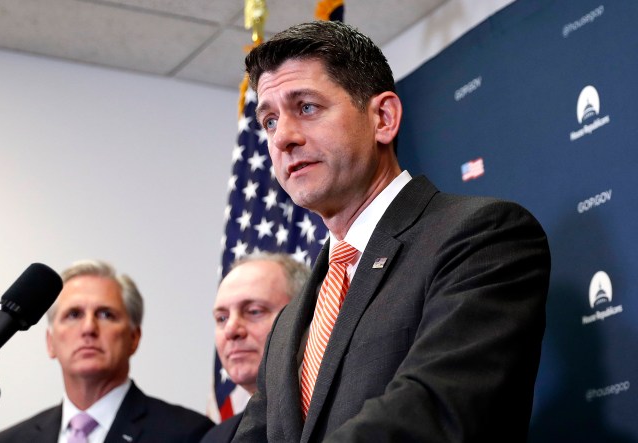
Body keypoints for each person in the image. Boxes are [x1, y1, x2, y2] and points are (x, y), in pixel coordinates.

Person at [232, 21, 551, 443]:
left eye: (306, 107)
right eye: (270, 121)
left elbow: (436, 409)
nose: (283, 138)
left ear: (383, 118)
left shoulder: (481, 237)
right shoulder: (290, 321)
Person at [0, 259, 213, 443]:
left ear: (134, 338)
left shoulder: (191, 435)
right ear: (50, 342)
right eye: (74, 314)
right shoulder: (6, 441)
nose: (89, 328)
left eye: (106, 314)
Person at [202, 253, 310, 443]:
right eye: (222, 318)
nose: (231, 330)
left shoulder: (341, 419)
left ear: (306, 316)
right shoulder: (214, 438)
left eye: (254, 311)